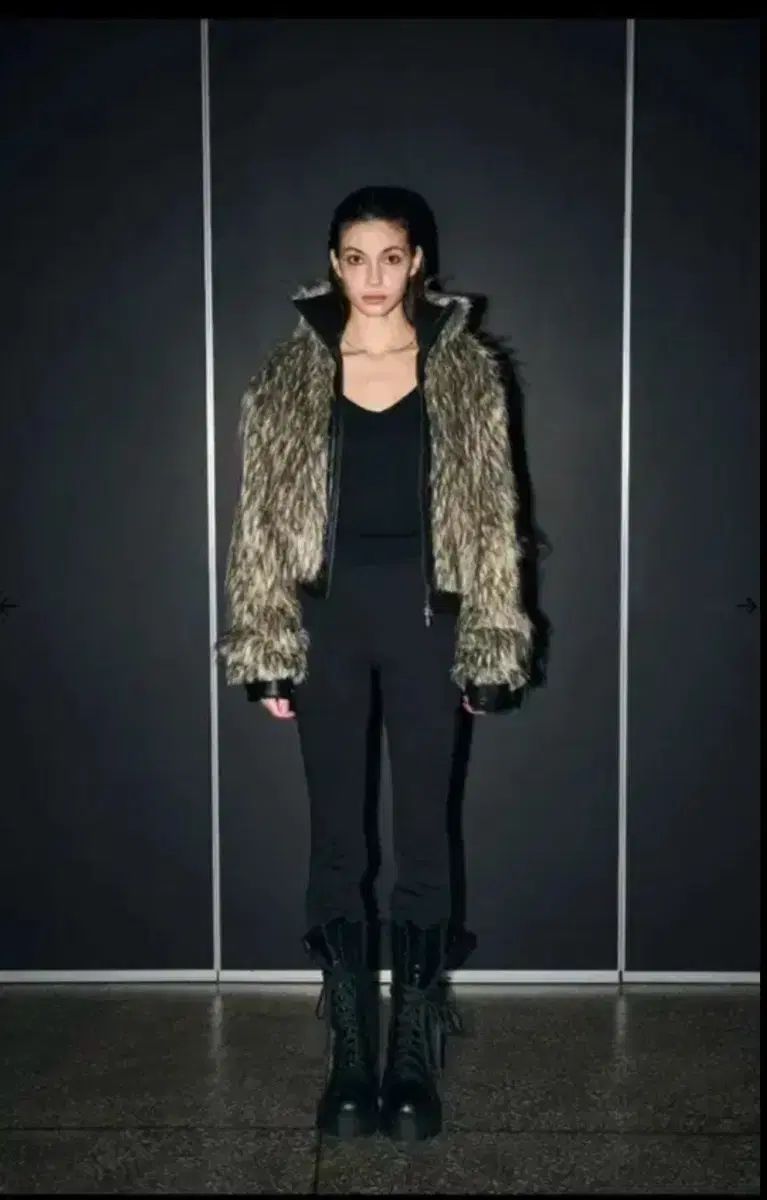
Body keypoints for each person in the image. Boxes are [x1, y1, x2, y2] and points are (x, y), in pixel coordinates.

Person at [215, 185, 533, 1142]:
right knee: (336, 843)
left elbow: (495, 516)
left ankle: (411, 1059)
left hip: (429, 626)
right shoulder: (288, 374)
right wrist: (265, 642)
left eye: (391, 257)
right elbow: (258, 521)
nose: (373, 277)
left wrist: (491, 641)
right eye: (355, 258)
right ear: (333, 264)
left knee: (424, 838)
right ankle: (351, 1055)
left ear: (417, 262)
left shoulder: (467, 371)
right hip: (328, 627)